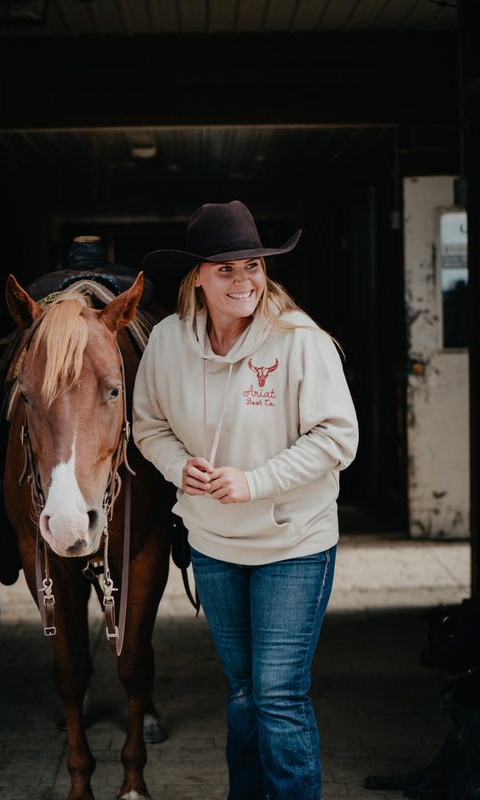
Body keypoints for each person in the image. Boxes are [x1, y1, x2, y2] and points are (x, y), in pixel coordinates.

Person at [132, 200, 358, 800]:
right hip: (213, 544)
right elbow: (148, 426)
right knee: (241, 692)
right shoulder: (166, 342)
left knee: (279, 695)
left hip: (293, 544)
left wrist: (254, 481)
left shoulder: (300, 340)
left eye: (253, 266)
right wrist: (182, 468)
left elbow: (340, 438)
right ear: (197, 277)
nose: (243, 280)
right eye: (225, 268)